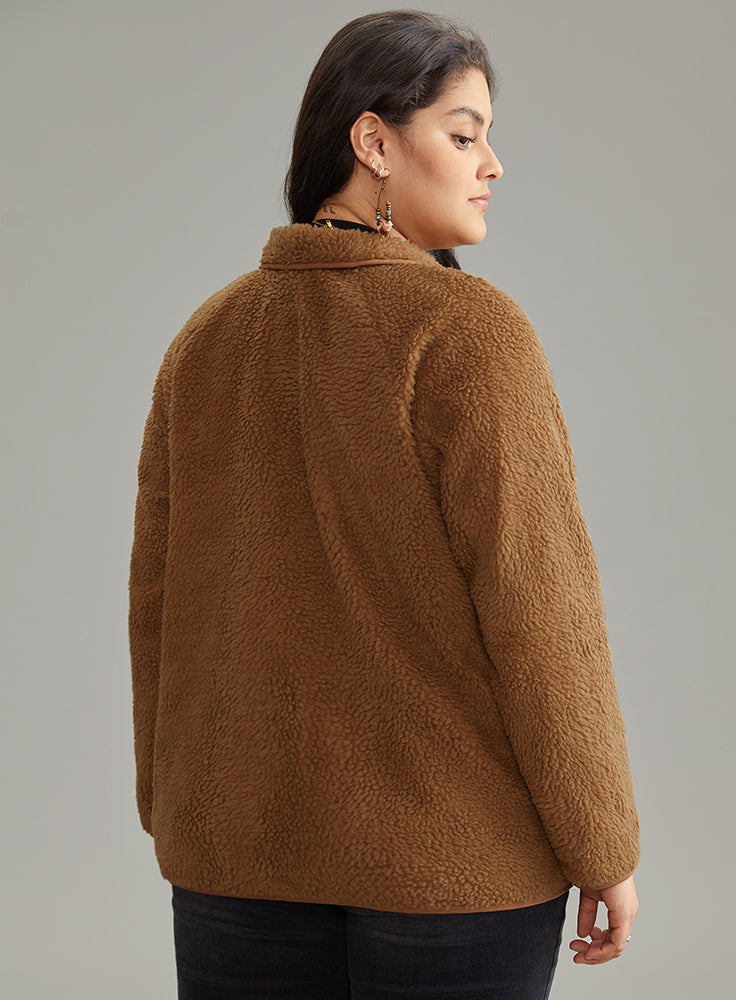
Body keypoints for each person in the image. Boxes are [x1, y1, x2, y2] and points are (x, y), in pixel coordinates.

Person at [128, 10, 640, 999]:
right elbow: (543, 618)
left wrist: (176, 809)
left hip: (236, 859)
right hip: (455, 867)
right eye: (464, 133)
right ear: (373, 140)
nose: (492, 164)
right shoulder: (470, 334)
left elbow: (157, 608)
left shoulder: (206, 340)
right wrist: (602, 842)